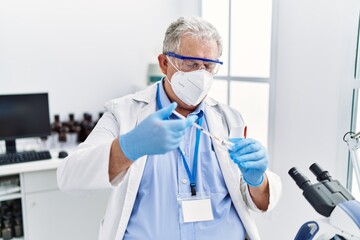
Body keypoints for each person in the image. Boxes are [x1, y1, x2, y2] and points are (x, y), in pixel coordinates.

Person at [57, 16, 282, 240]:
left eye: (209, 66)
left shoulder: (230, 119)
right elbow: (68, 178)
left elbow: (259, 202)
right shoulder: (124, 114)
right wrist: (129, 147)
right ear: (165, 63)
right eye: (191, 64)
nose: (201, 75)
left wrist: (257, 180)